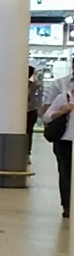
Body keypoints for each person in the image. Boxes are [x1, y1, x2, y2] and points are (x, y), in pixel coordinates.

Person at [44, 78, 74, 217]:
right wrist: (62, 111)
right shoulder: (64, 98)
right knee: (65, 173)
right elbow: (47, 117)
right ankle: (67, 205)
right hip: (64, 141)